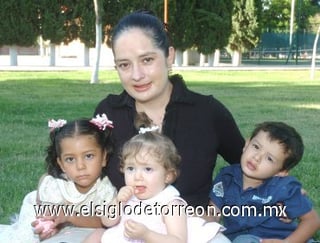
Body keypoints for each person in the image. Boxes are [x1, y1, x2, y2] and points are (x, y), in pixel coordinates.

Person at [94, 9, 245, 209]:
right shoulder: (108, 113)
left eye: (147, 60)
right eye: (124, 65)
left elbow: (247, 167)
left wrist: (217, 204)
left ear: (169, 56)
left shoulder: (207, 112)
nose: (137, 75)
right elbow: (85, 171)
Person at [84, 114, 229, 242]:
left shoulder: (171, 204)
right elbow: (107, 221)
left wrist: (146, 235)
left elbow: (178, 240)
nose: (137, 176)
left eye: (147, 169)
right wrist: (117, 202)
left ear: (168, 176)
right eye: (131, 168)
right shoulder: (127, 196)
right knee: (98, 235)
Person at [0, 114, 117, 242]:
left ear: (104, 157)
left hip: (72, 221)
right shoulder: (55, 186)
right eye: (70, 159)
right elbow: (46, 214)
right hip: (39, 208)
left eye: (88, 156)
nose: (80, 166)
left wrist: (70, 216)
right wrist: (47, 225)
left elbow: (103, 223)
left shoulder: (106, 190)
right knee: (28, 238)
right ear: (61, 164)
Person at [208, 121, 320, 243]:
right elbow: (213, 213)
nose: (257, 157)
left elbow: (312, 220)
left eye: (269, 158)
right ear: (247, 144)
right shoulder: (226, 177)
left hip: (284, 238)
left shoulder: (284, 188)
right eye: (256, 147)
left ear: (281, 171)